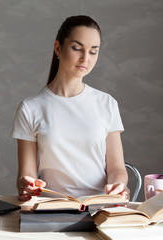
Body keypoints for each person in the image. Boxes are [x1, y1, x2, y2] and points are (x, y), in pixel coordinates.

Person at [11, 15, 130, 201]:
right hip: (52, 207)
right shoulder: (30, 108)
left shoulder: (106, 104)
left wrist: (119, 186)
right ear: (58, 48)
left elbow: (117, 169)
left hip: (98, 208)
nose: (85, 58)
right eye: (77, 48)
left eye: (93, 51)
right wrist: (26, 185)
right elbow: (26, 175)